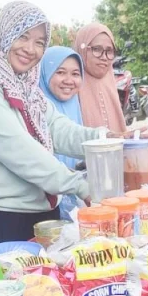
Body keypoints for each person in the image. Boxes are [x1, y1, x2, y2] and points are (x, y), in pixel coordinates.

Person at [0, 2, 101, 245]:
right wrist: (79, 185)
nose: (30, 49)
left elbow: (59, 129)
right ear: (4, 34)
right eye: (22, 36)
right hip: (4, 219)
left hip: (43, 214)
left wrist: (112, 140)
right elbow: (19, 150)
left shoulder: (26, 87)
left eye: (40, 42)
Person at [39, 46, 87, 220]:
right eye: (60, 72)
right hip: (44, 205)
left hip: (76, 197)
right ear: (44, 74)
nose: (69, 80)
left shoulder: (75, 105)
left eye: (75, 74)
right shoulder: (36, 108)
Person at [75, 23, 127, 133]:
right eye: (97, 49)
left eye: (109, 51)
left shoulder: (110, 83)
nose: (104, 57)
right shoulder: (70, 85)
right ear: (82, 49)